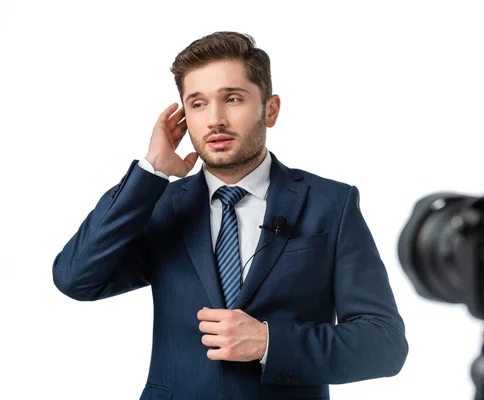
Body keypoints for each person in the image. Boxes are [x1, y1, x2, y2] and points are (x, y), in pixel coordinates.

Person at [52, 31, 408, 400]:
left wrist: (271, 342)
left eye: (233, 99)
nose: (215, 120)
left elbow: (384, 344)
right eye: (198, 104)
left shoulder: (332, 203)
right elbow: (75, 278)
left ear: (270, 109)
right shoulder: (159, 205)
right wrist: (151, 171)